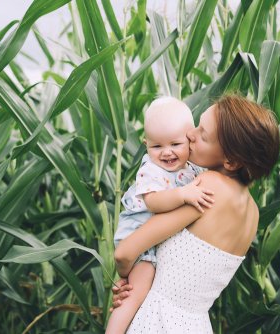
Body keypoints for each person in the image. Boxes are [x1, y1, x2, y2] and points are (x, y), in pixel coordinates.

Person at [111, 94, 280, 333]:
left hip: (158, 322)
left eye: (202, 133)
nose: (190, 134)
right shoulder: (252, 213)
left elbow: (125, 252)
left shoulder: (208, 186)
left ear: (230, 161)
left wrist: (126, 282)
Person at [105, 96, 215, 334]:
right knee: (136, 292)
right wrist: (183, 195)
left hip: (153, 239)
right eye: (156, 146)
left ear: (189, 140)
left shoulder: (193, 169)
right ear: (146, 145)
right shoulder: (151, 170)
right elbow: (153, 202)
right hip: (138, 235)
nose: (166, 153)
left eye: (175, 144)